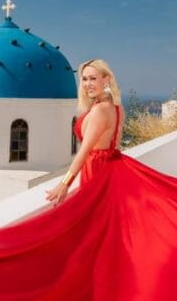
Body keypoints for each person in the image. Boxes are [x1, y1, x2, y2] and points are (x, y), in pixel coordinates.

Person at [46, 58, 124, 207]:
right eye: (84, 79)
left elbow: (84, 151)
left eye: (93, 78)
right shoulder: (116, 106)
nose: (87, 84)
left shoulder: (99, 110)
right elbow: (116, 142)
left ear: (106, 79)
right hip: (109, 166)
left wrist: (65, 183)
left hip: (95, 168)